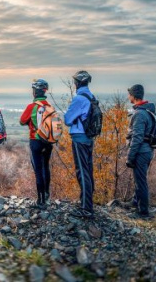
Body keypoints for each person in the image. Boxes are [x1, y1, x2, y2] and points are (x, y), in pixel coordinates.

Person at [63, 70, 96, 219]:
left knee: (82, 172)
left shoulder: (79, 99)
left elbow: (68, 119)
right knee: (88, 170)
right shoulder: (91, 96)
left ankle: (86, 208)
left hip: (79, 138)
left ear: (76, 83)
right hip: (89, 138)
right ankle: (87, 203)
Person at [20, 78, 54, 208]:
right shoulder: (49, 106)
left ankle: (40, 200)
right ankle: (46, 194)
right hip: (48, 142)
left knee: (38, 170)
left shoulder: (32, 107)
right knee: (46, 167)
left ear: (35, 92)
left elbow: (22, 121)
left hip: (35, 141)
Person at [126, 84, 155, 218]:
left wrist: (130, 157)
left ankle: (143, 212)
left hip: (141, 152)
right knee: (140, 179)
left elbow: (137, 138)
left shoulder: (140, 114)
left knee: (140, 182)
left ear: (134, 96)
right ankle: (135, 202)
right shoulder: (148, 111)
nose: (128, 96)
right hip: (147, 150)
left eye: (129, 94)